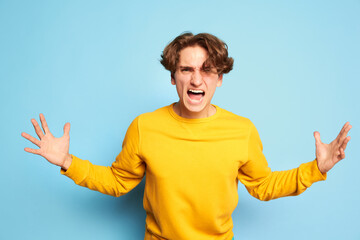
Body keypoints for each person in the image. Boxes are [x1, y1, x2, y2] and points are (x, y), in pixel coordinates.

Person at [21, 32, 352, 240]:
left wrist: (317, 169)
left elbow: (263, 186)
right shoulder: (144, 127)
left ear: (220, 78)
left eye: (207, 69)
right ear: (173, 77)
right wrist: (66, 161)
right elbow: (118, 181)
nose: (197, 79)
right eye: (187, 69)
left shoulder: (241, 131)